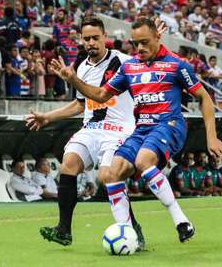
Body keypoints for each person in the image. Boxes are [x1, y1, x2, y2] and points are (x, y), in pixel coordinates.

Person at [51, 17, 222, 243]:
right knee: (111, 174)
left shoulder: (176, 64)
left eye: (145, 42)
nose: (140, 48)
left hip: (168, 124)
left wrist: (211, 138)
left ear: (157, 37)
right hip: (141, 128)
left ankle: (181, 221)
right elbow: (101, 95)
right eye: (136, 44)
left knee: (144, 161)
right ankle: (127, 233)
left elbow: (204, 97)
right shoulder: (130, 67)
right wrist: (74, 80)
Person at [26, 17, 149, 248]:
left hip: (118, 129)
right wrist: (47, 117)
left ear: (105, 38)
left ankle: (132, 227)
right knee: (68, 164)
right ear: (81, 41)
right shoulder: (82, 67)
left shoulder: (122, 62)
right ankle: (64, 230)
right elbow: (80, 104)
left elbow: (105, 93)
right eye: (87, 39)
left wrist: (73, 79)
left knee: (107, 177)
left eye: (95, 38)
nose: (91, 42)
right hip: (92, 128)